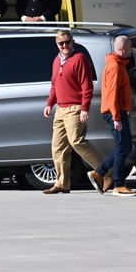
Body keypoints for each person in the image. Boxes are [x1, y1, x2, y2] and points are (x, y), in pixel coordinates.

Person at [42, 30, 103, 194]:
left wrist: (84, 108)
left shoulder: (79, 58)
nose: (64, 46)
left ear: (72, 42)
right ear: (57, 45)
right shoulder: (56, 61)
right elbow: (54, 85)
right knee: (57, 146)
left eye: (67, 42)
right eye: (61, 43)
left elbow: (86, 86)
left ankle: (104, 170)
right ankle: (62, 183)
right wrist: (50, 104)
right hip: (60, 109)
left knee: (76, 141)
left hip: (75, 108)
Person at [89, 35, 136, 197]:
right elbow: (111, 95)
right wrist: (116, 117)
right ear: (123, 48)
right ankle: (118, 184)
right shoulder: (115, 67)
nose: (132, 50)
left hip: (119, 111)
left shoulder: (119, 64)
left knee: (125, 147)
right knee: (121, 149)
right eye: (130, 46)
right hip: (114, 112)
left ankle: (99, 173)